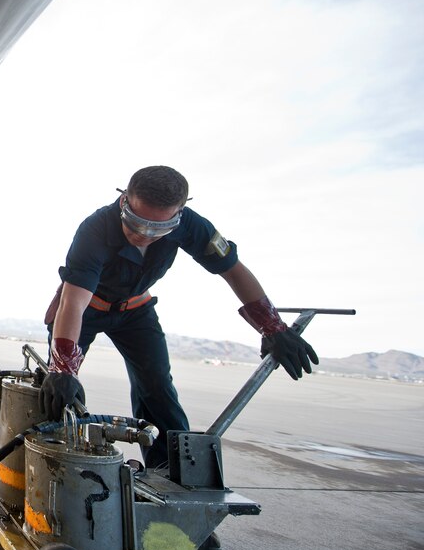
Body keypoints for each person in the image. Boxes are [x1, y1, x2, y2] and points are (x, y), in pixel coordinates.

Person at [40, 165, 318, 472]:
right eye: (136, 222)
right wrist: (64, 366)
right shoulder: (94, 229)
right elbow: (73, 302)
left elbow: (234, 271)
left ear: (179, 215)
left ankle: (171, 472)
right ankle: (48, 465)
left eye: (157, 230)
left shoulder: (192, 226)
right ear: (124, 201)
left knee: (157, 388)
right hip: (85, 309)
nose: (143, 236)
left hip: (136, 312)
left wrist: (272, 325)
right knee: (60, 393)